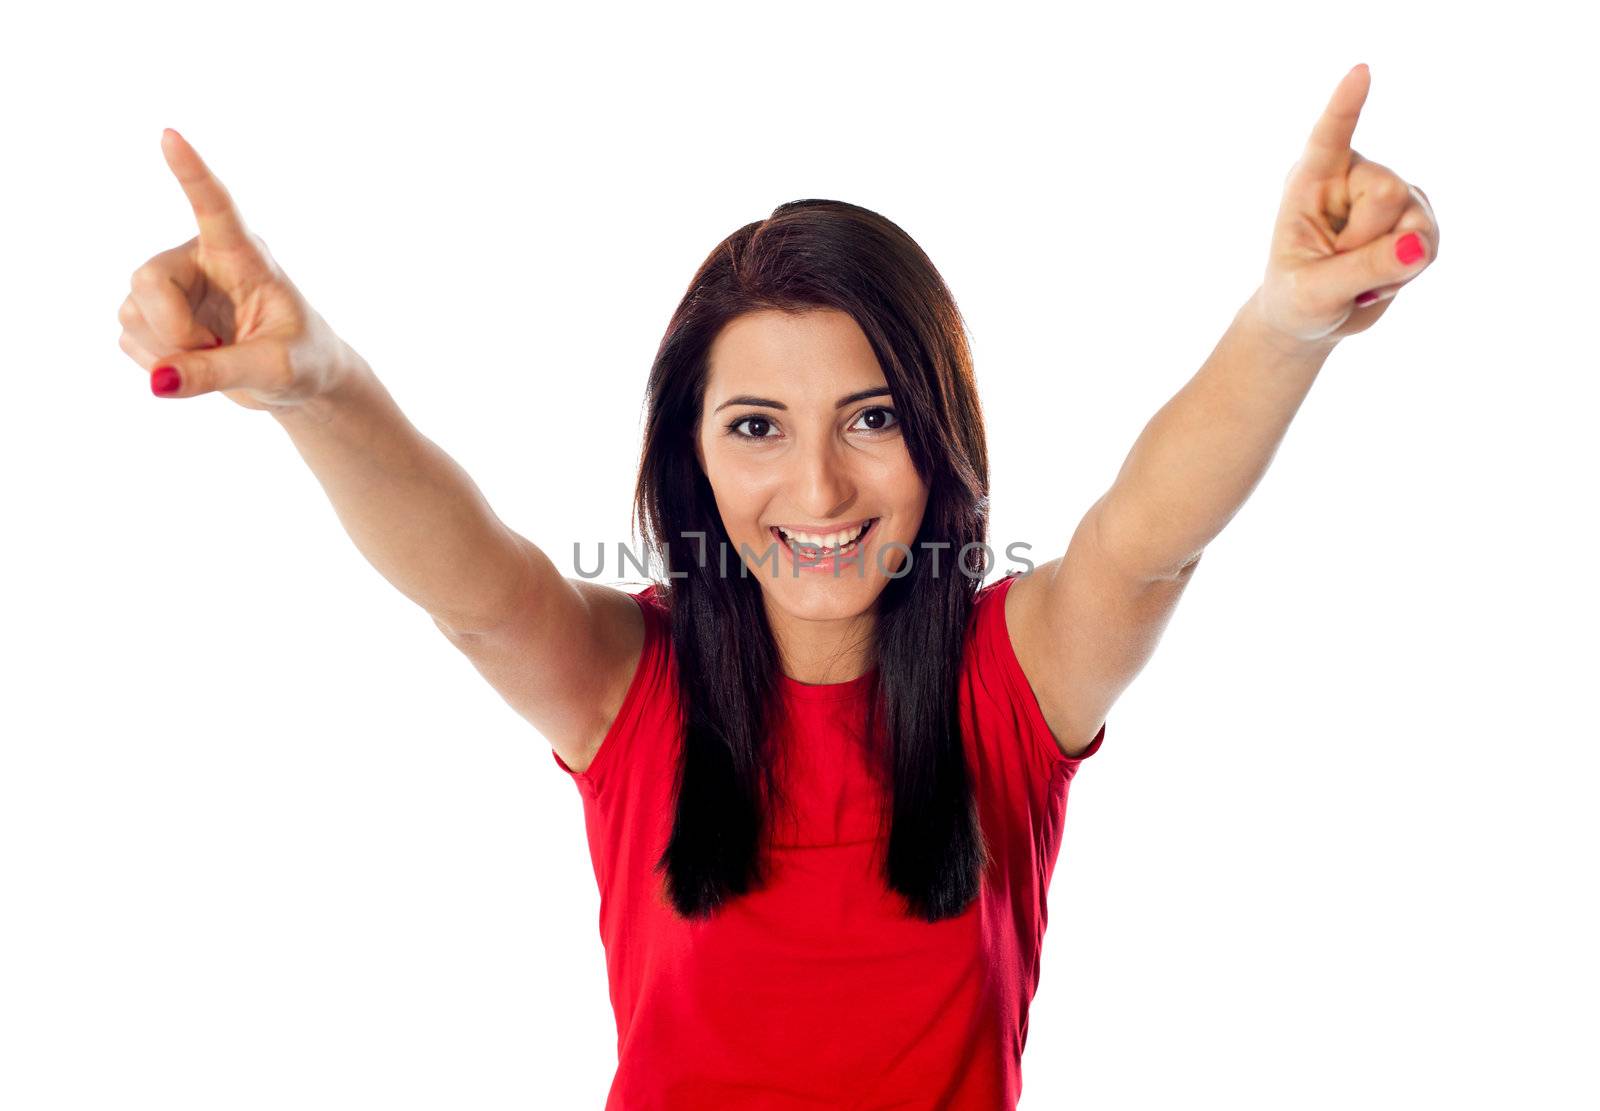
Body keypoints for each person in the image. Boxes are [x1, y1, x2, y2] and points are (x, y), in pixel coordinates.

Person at [116, 62, 1437, 1110]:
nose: (817, 492)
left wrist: (1287, 324)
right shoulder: (628, 688)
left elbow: (1148, 536)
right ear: (691, 458)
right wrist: (318, 385)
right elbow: (473, 587)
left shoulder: (1009, 684)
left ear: (939, 438)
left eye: (870, 419)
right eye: (756, 426)